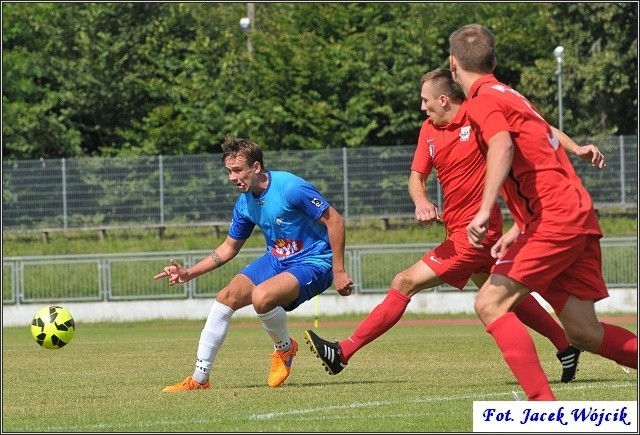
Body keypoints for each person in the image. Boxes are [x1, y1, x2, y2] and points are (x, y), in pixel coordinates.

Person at [304, 67, 606, 384]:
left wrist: (577, 149)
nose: (422, 107)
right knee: (499, 293)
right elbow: (416, 178)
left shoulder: (478, 117)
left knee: (405, 281)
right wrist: (421, 201)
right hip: (461, 233)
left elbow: (538, 130)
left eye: (425, 100)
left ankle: (342, 353)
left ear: (444, 100)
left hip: (475, 236)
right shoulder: (428, 130)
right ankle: (564, 345)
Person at [447, 23, 637, 400]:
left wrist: (485, 210)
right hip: (573, 214)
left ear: (453, 64)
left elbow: (502, 145)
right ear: (494, 62)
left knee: (490, 303)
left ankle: (543, 410)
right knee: (584, 331)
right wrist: (518, 228)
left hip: (555, 218)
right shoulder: (511, 95)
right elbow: (541, 136)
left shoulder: (483, 100)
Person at [154, 137, 354, 391]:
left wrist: (339, 271)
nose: (231, 177)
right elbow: (228, 248)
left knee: (262, 297)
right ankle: (199, 380)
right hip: (277, 259)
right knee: (225, 298)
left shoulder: (291, 188)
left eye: (237, 170)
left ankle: (284, 350)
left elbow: (335, 221)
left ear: (256, 167)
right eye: (228, 171)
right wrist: (188, 273)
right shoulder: (244, 203)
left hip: (314, 261)